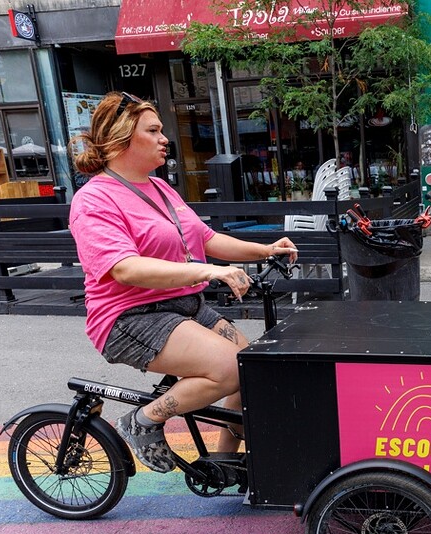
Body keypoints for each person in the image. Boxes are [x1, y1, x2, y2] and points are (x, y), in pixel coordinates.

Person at [68, 92, 298, 472]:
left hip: (186, 306)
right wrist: (208, 271)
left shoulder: (160, 188)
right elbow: (124, 268)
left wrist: (265, 249)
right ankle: (143, 419)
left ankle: (226, 461)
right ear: (122, 138)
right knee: (227, 368)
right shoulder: (94, 199)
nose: (165, 139)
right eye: (154, 130)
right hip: (130, 317)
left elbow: (205, 239)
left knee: (252, 370)